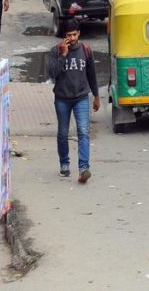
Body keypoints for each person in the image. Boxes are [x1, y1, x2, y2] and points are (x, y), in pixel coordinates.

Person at [47, 18, 99, 183]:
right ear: (65, 36)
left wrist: (96, 96)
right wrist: (63, 54)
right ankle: (64, 164)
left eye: (74, 34)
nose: (72, 38)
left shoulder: (86, 50)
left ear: (79, 34)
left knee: (83, 132)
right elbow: (52, 73)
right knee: (63, 133)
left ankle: (84, 167)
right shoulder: (56, 50)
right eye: (68, 35)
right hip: (62, 98)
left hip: (81, 97)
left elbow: (92, 74)